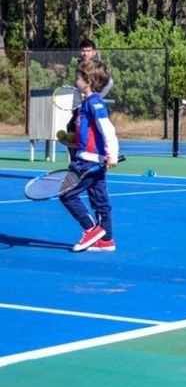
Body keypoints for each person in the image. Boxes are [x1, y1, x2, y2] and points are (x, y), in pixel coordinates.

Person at [60, 60, 120, 252]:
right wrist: (73, 143)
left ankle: (91, 229)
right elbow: (90, 134)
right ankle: (106, 240)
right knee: (99, 200)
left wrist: (113, 154)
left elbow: (107, 128)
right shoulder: (87, 103)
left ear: (88, 81)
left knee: (66, 194)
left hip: (86, 162)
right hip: (92, 159)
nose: (75, 80)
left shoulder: (94, 102)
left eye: (78, 77)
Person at [63, 40, 114, 157]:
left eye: (88, 50)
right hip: (79, 108)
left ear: (94, 52)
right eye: (83, 50)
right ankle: (77, 159)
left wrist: (95, 96)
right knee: (72, 129)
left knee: (96, 134)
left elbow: (109, 82)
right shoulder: (79, 66)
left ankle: (94, 158)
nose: (85, 53)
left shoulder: (97, 68)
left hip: (91, 109)